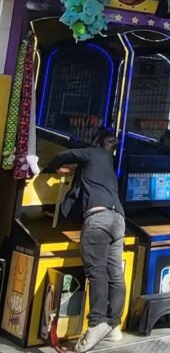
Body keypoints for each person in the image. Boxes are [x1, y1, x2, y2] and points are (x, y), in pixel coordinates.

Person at [43, 131, 125, 353]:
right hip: (118, 220)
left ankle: (96, 323)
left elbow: (64, 155)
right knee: (115, 274)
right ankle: (113, 326)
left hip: (97, 219)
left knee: (96, 271)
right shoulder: (108, 165)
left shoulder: (92, 153)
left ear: (97, 143)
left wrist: (53, 168)